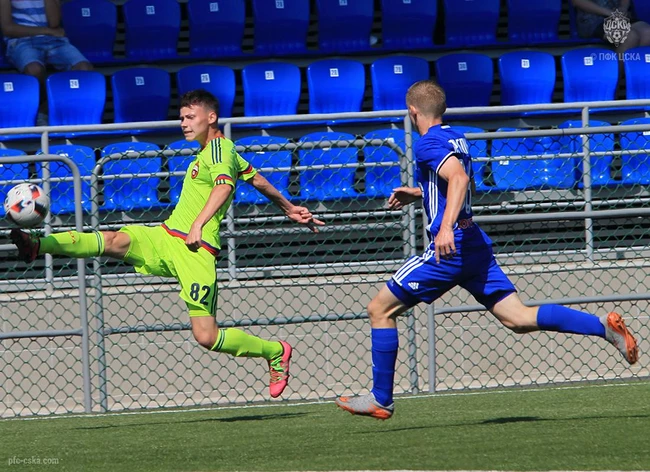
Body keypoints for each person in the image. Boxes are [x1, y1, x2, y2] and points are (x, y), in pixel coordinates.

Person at [335, 80, 639, 420]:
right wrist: (420, 192)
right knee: (518, 318)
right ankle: (603, 327)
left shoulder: (427, 143)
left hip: (450, 248)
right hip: (473, 243)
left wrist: (445, 227)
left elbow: (459, 180)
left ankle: (381, 398)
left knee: (379, 310)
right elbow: (458, 182)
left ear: (412, 111)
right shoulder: (456, 138)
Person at [11, 89, 325, 399]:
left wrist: (198, 224)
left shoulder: (219, 150)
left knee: (206, 336)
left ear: (211, 117)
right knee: (111, 239)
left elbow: (224, 187)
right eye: (181, 118)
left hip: (196, 251)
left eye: (190, 117)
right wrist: (288, 208)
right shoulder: (216, 151)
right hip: (166, 236)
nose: (184, 123)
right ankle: (37, 243)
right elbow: (255, 179)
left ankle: (274, 352)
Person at [0, 0, 93, 125]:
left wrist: (49, 31)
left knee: (85, 69)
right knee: (34, 70)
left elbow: (54, 23)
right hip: (21, 41)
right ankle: (39, 114)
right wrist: (46, 31)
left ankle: (48, 110)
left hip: (54, 40)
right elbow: (8, 29)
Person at [572, 0, 650, 55]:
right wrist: (609, 13)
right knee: (630, 36)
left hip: (619, 17)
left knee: (647, 33)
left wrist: (623, 8)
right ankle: (616, 73)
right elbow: (577, 2)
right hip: (593, 19)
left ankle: (631, 70)